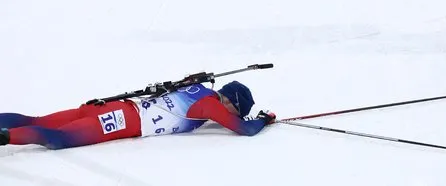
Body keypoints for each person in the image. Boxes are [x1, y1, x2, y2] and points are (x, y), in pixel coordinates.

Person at [0, 80, 276, 150]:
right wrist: (265, 119)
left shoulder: (195, 87)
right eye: (236, 111)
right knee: (59, 139)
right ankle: (5, 137)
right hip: (122, 121)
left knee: (36, 120)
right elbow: (244, 130)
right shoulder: (210, 105)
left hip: (111, 105)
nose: (229, 116)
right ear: (230, 103)